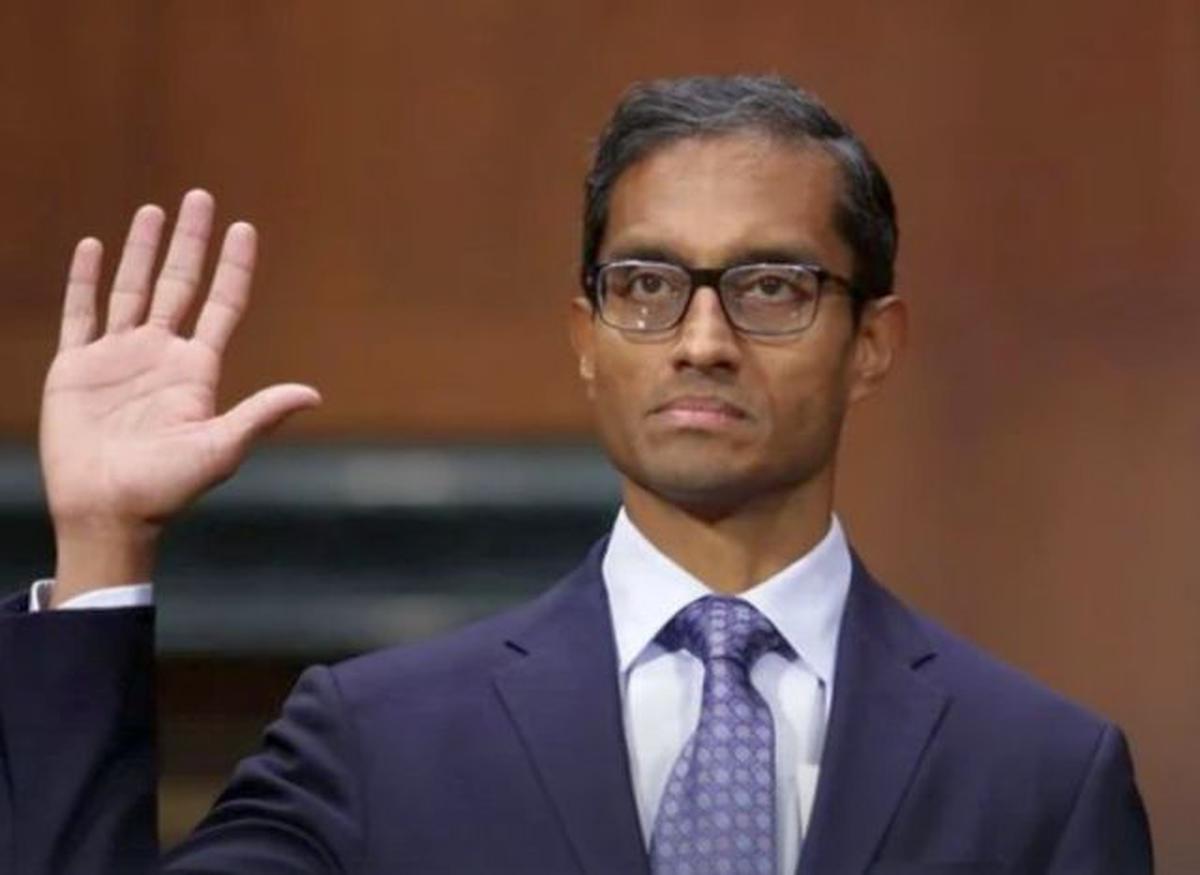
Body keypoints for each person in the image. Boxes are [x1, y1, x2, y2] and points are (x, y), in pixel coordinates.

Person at [0, 75, 1151, 874]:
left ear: (875, 345)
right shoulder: (380, 738)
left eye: (772, 287)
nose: (702, 338)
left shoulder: (1041, 773)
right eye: (647, 284)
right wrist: (104, 546)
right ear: (587, 338)